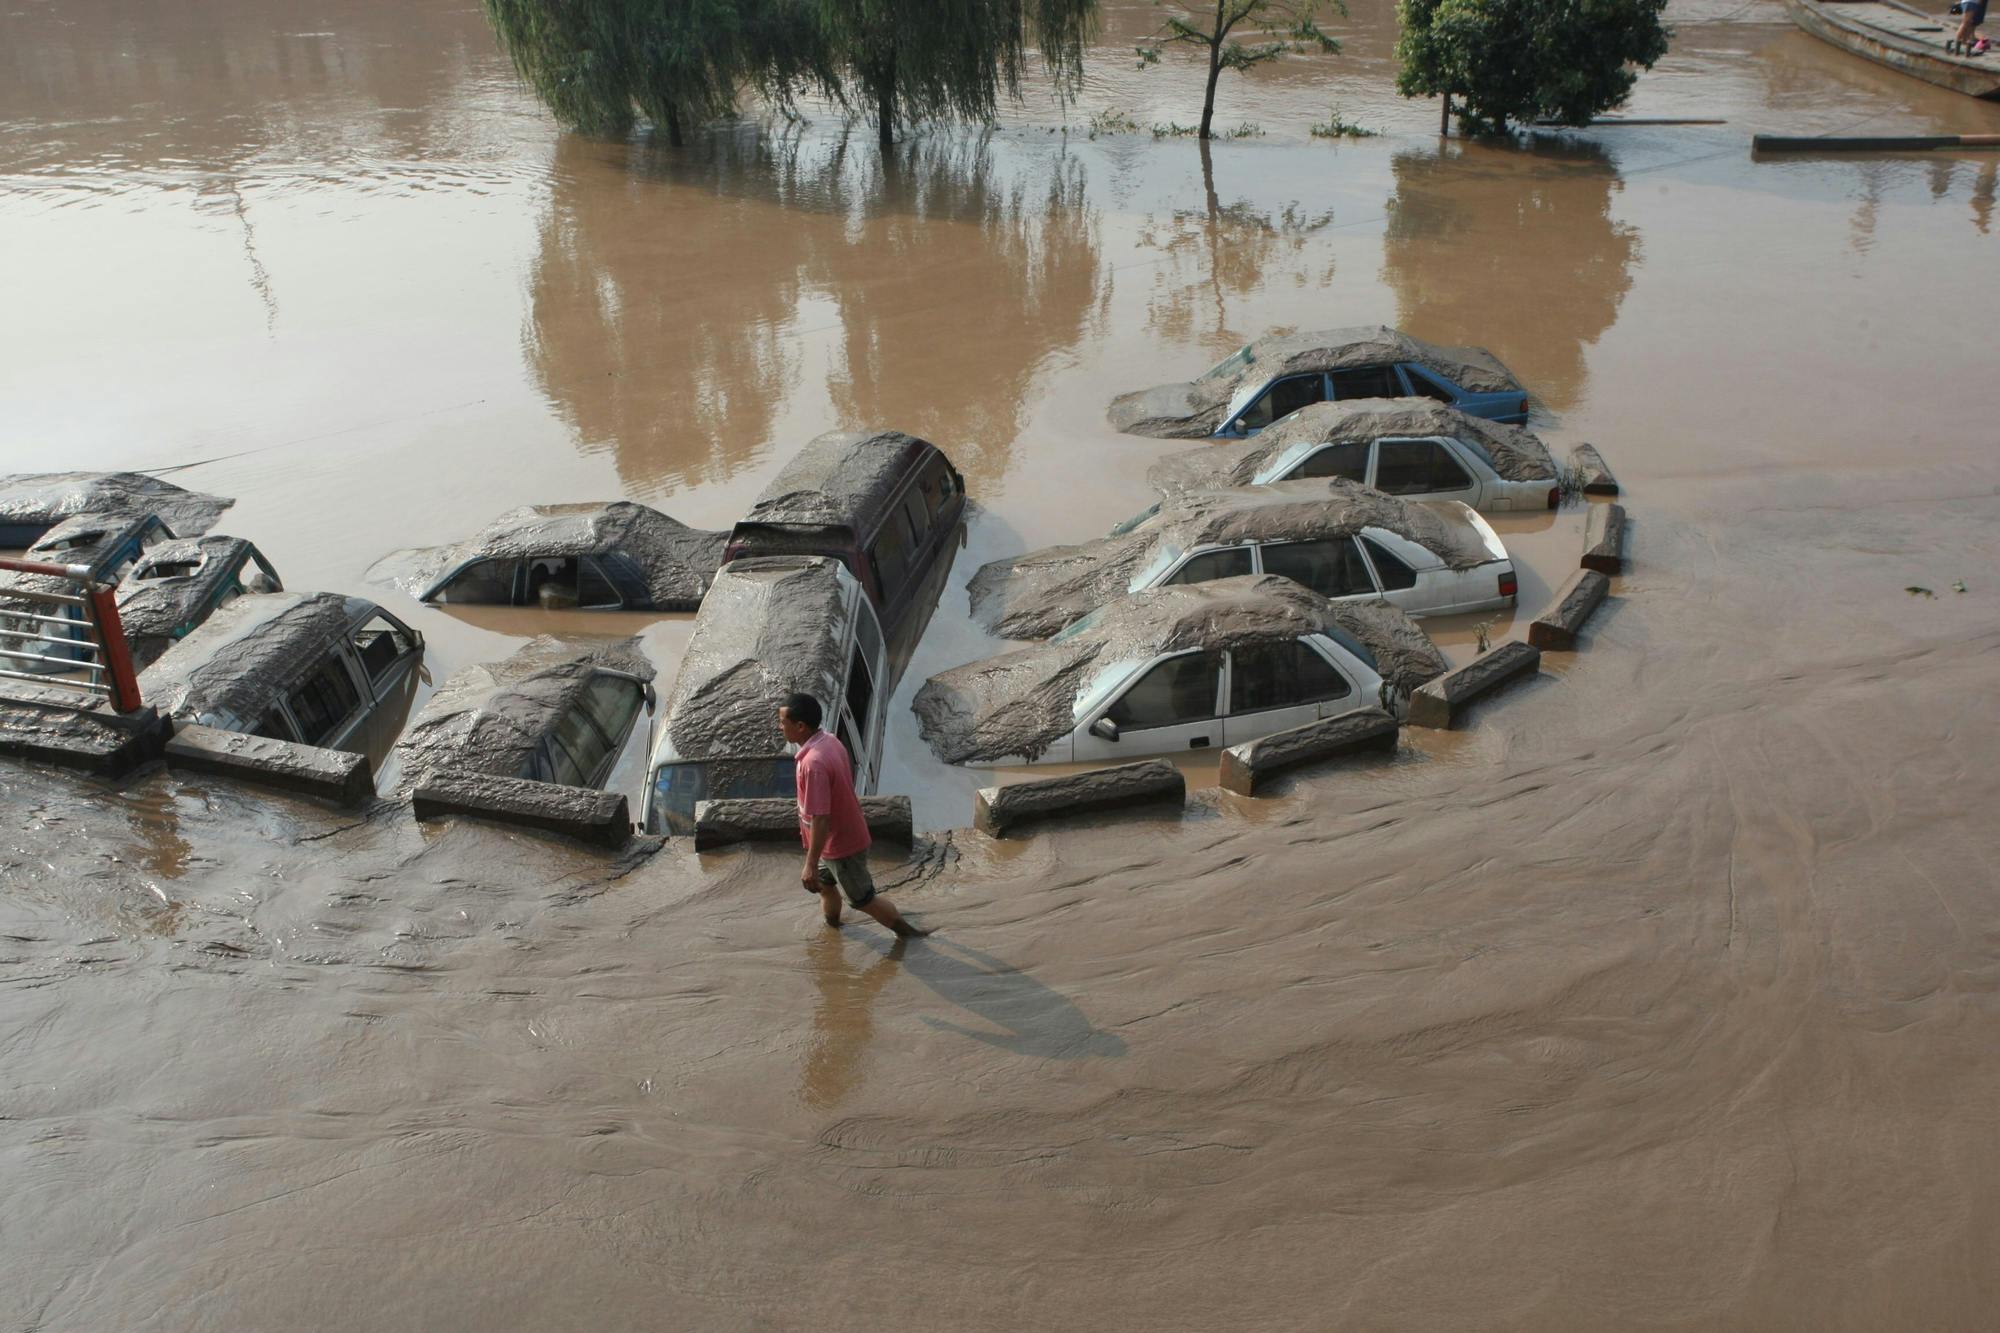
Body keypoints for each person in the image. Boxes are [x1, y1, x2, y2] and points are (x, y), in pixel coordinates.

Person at [779, 692, 929, 937]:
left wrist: (810, 863)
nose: (780, 727)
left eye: (783, 722)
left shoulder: (813, 764)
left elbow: (821, 818)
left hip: (840, 847)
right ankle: (833, 929)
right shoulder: (829, 741)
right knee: (824, 886)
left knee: (863, 900)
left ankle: (911, 936)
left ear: (800, 726)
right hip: (831, 842)